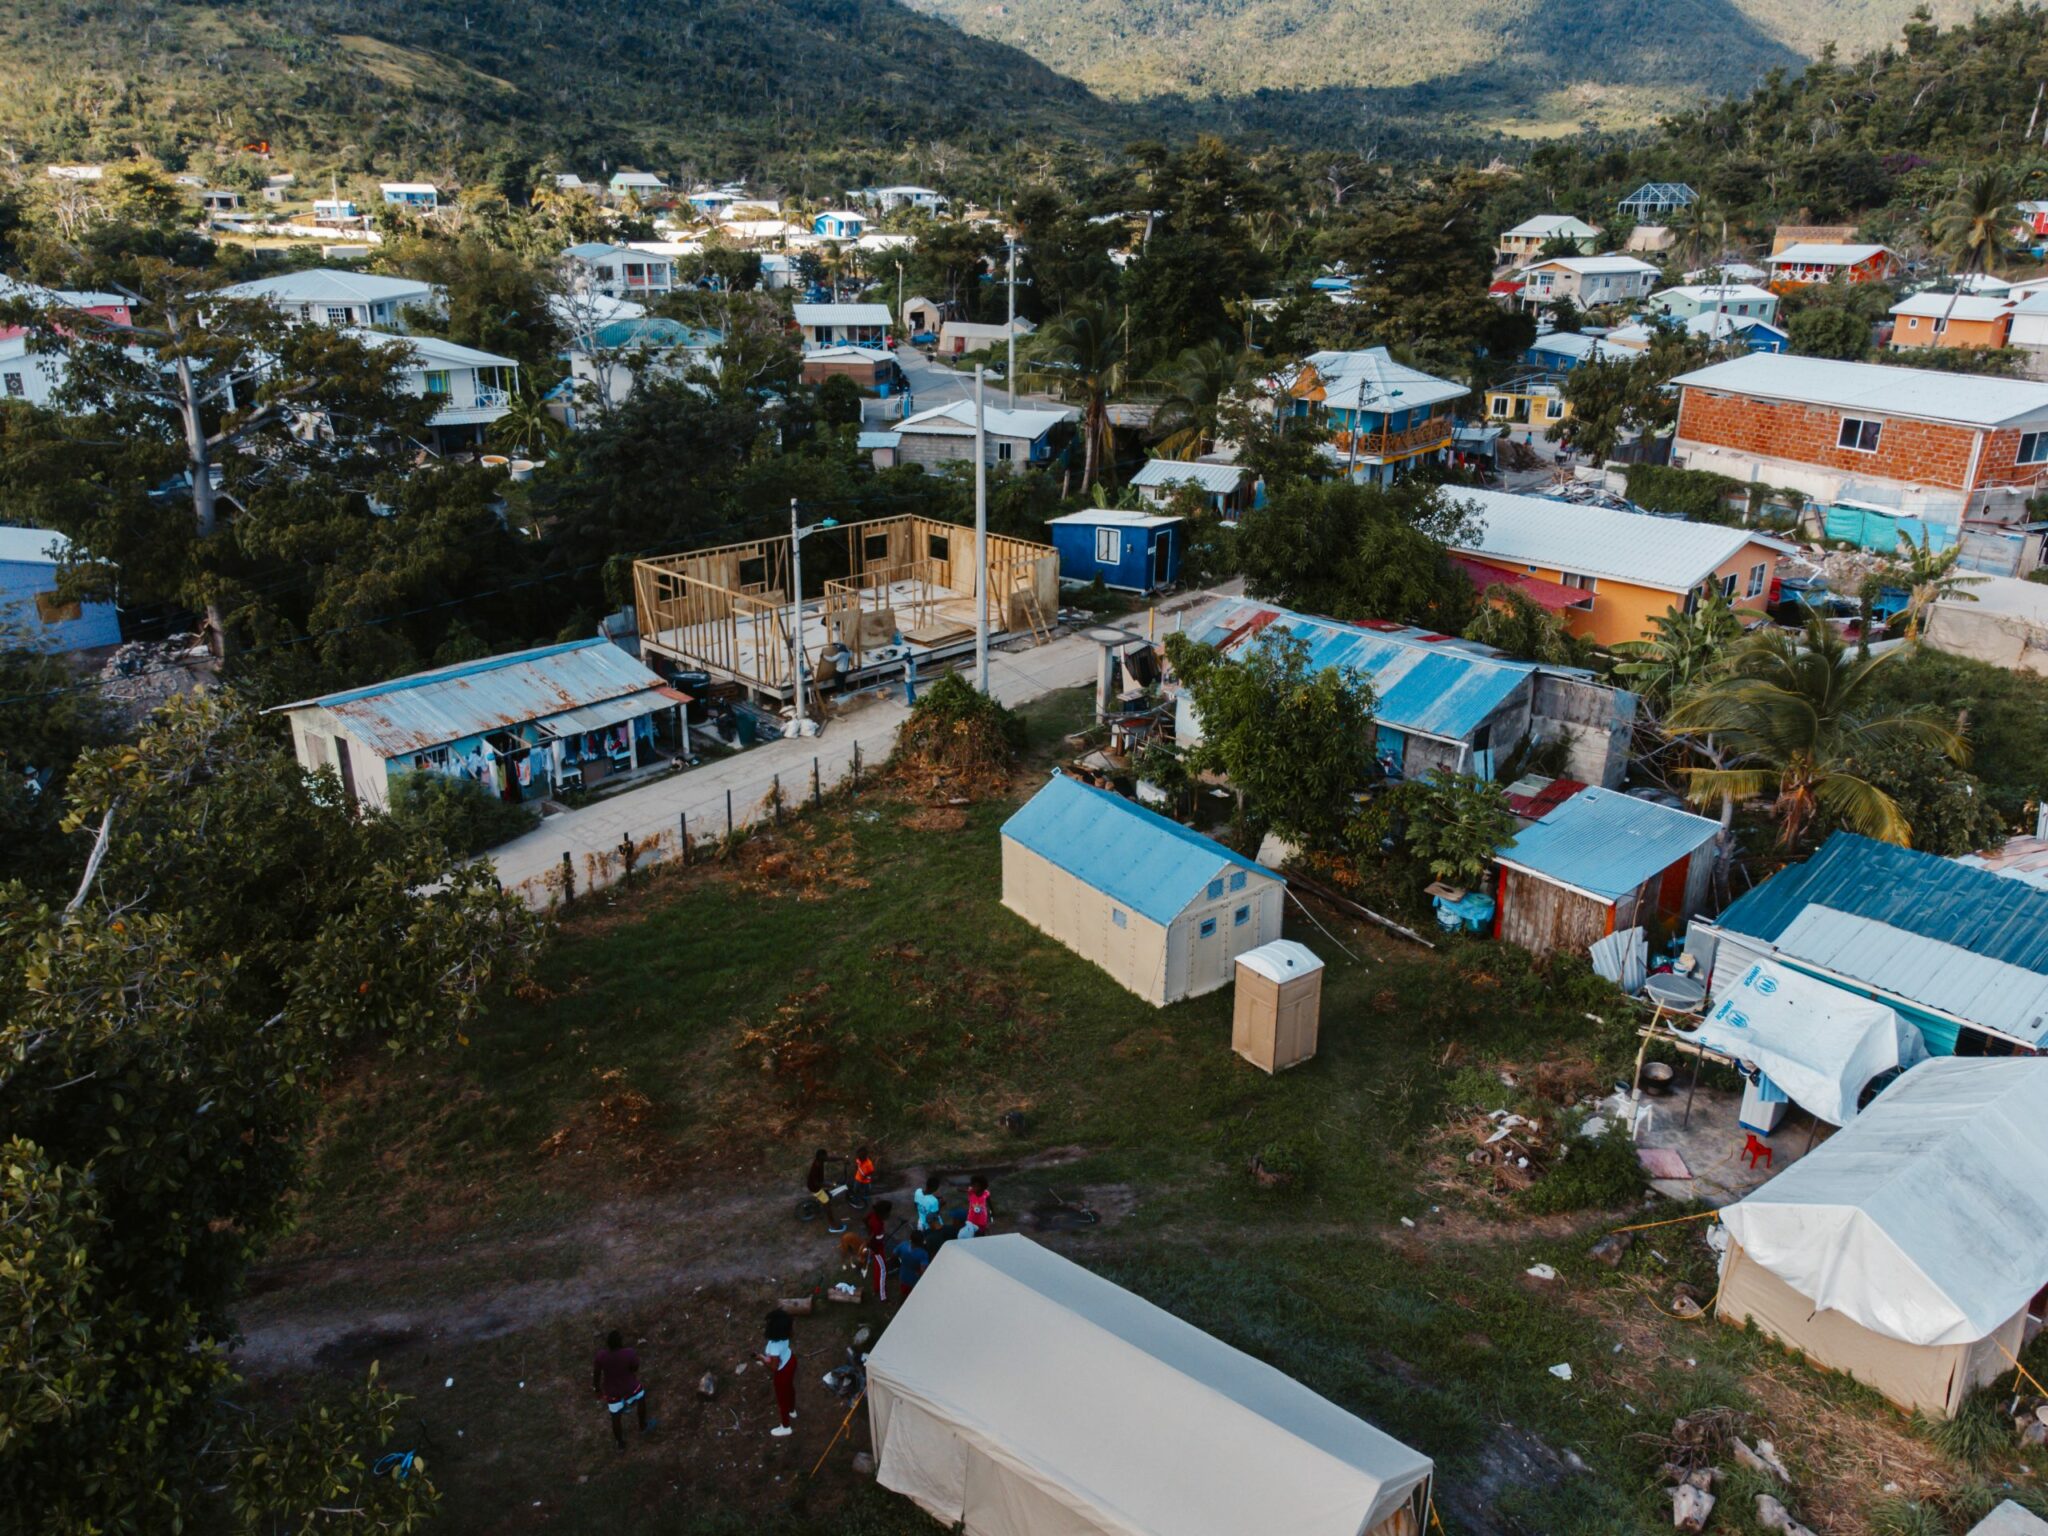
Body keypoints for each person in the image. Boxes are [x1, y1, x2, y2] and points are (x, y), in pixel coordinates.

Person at [592, 1329, 648, 1450]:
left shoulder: (601, 1356)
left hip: (612, 1393)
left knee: (615, 1417)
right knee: (641, 1399)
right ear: (620, 1342)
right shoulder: (629, 1353)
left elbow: (596, 1373)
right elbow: (635, 1367)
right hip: (631, 1387)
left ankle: (620, 1444)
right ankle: (643, 1426)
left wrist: (597, 1389)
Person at [759, 1308, 797, 1437]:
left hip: (782, 1372)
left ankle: (786, 1426)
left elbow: (774, 1367)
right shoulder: (785, 1337)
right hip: (791, 1361)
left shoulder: (774, 1346)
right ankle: (792, 1410)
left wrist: (762, 1359)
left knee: (782, 1399)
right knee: (790, 1389)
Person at [806, 1148, 846, 1234]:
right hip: (815, 1188)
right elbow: (817, 1183)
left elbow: (830, 1159)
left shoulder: (820, 1160)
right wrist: (830, 1184)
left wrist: (842, 1158)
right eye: (825, 1156)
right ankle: (833, 1225)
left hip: (815, 1184)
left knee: (828, 1191)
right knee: (827, 1205)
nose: (826, 1157)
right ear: (821, 1157)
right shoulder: (816, 1167)